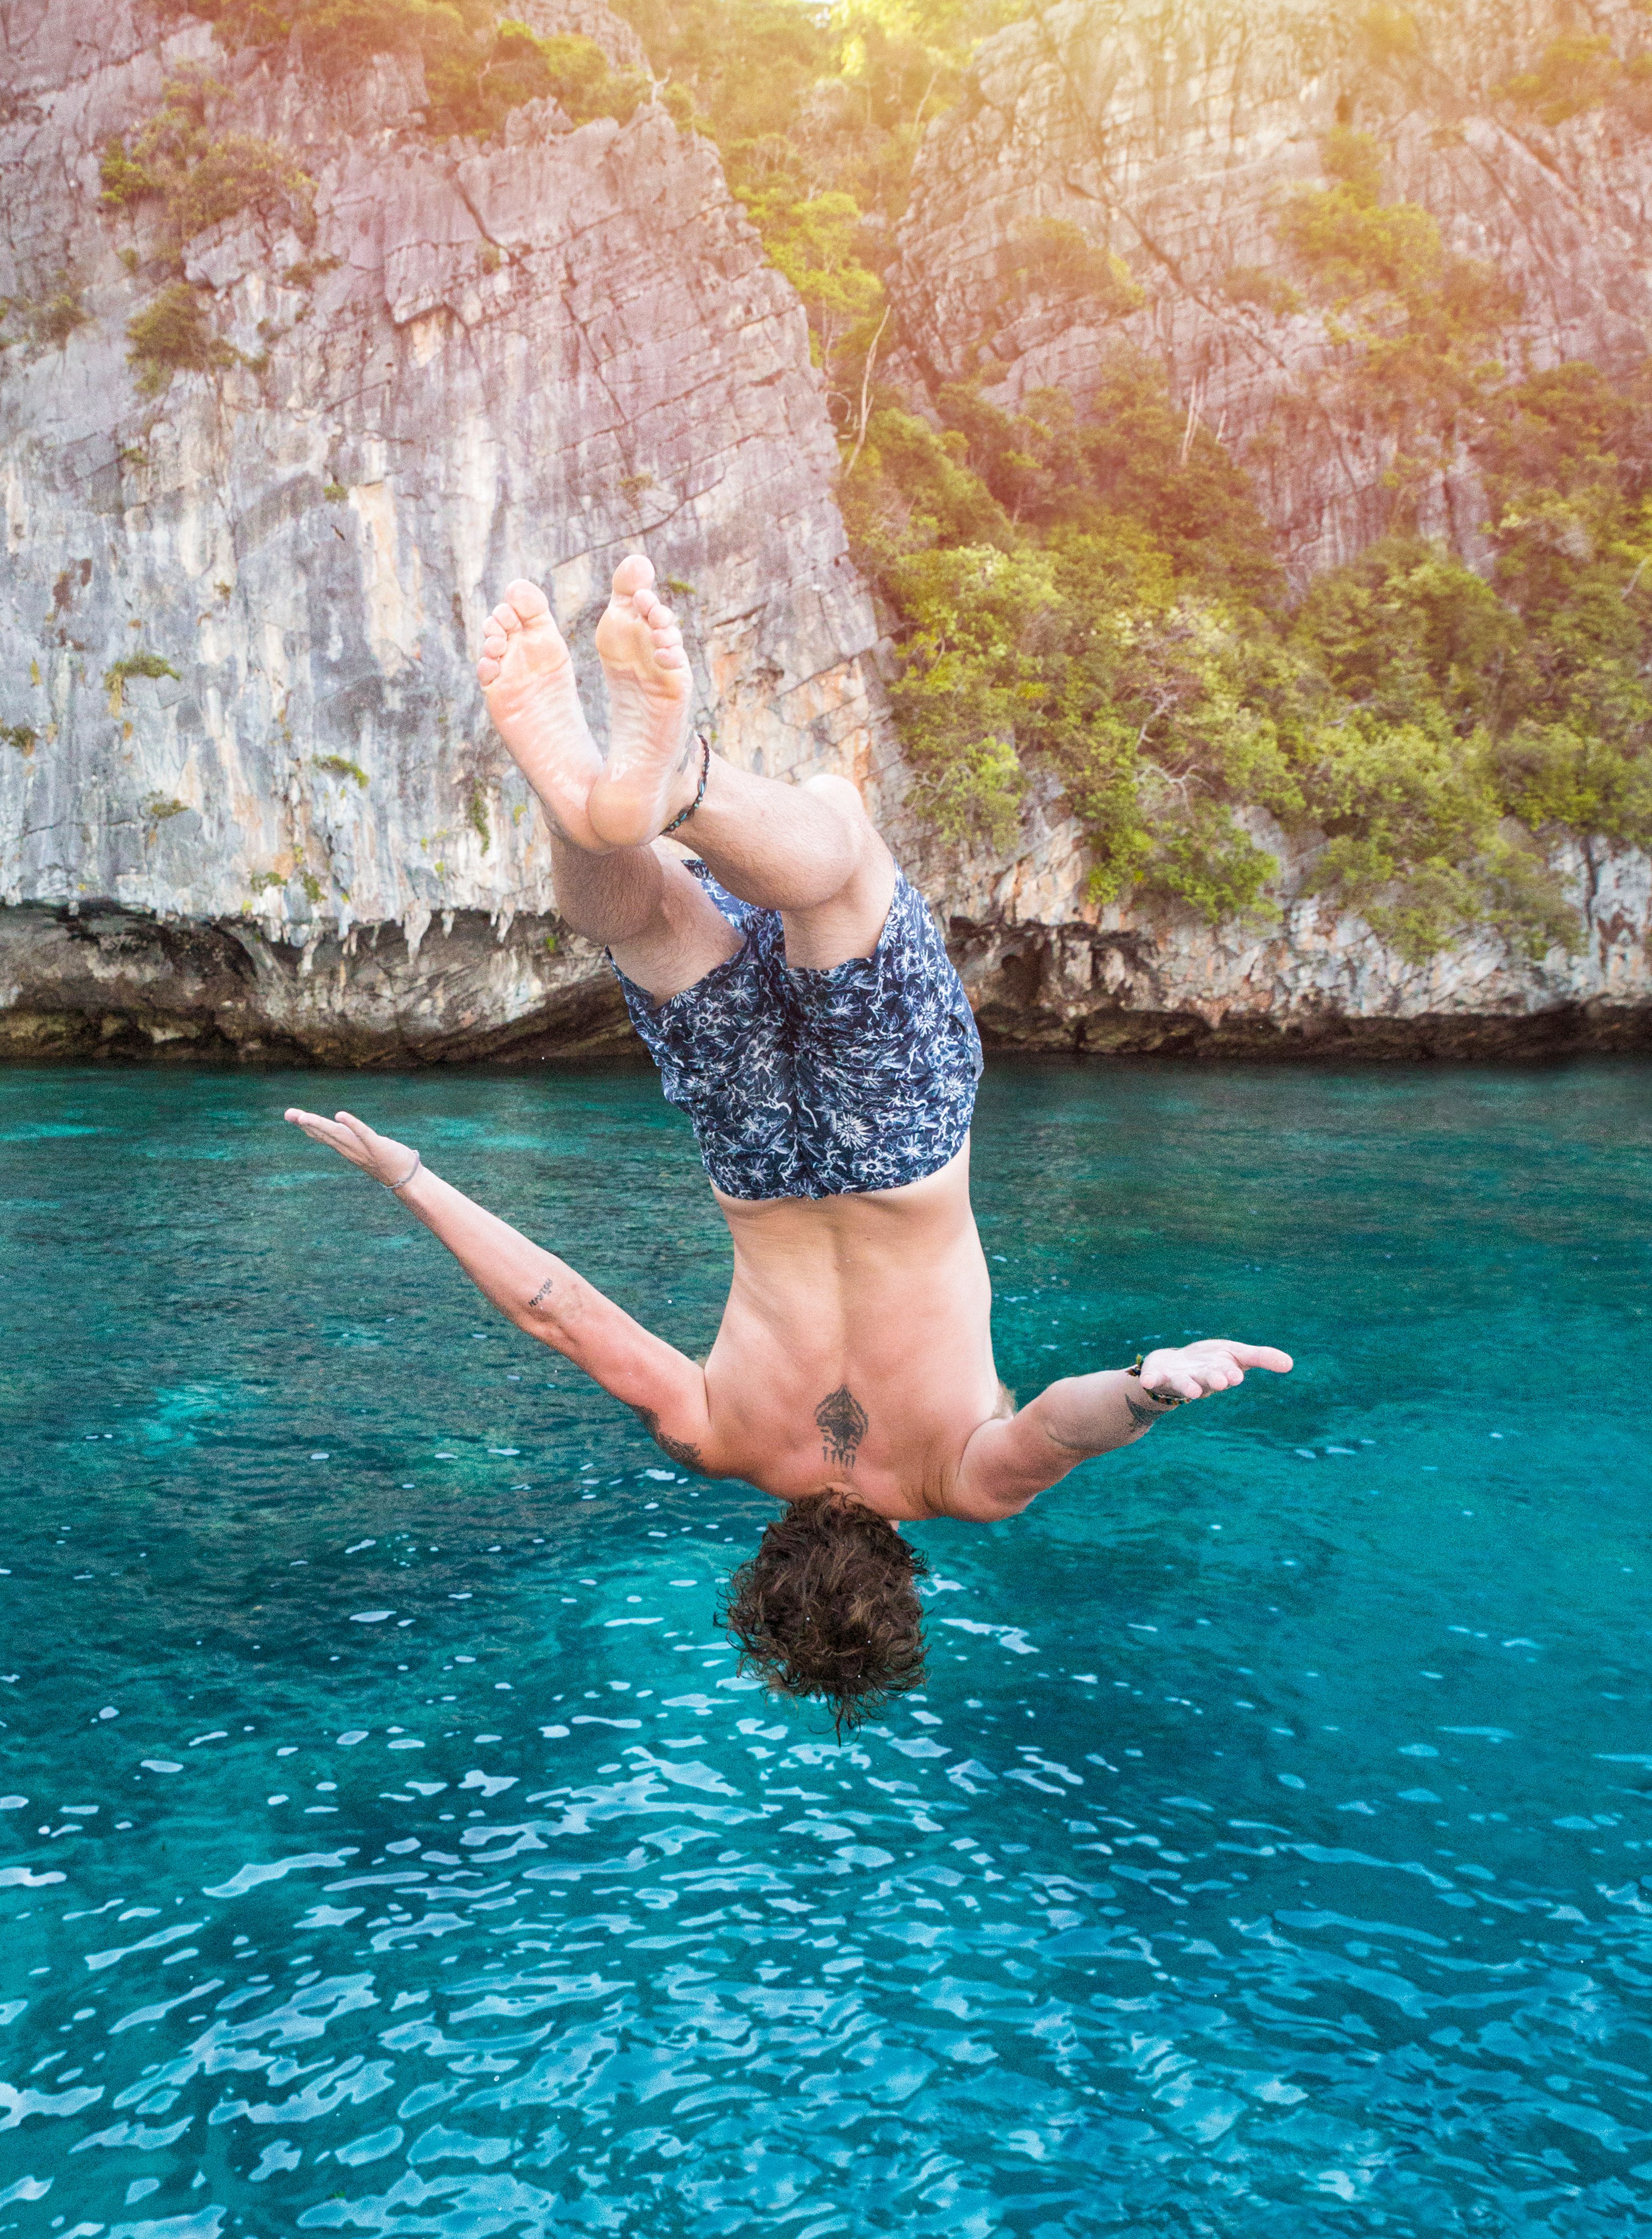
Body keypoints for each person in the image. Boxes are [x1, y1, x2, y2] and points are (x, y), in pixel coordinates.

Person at [287, 555, 1292, 1731]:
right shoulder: (715, 1440)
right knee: (657, 920)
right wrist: (409, 1176)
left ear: (904, 1579)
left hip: (898, 1153)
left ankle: (679, 782)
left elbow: (1065, 1425)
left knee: (840, 871)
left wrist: (1152, 1388)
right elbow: (558, 1310)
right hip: (754, 1163)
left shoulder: (958, 1482)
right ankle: (591, 815)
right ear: (766, 1559)